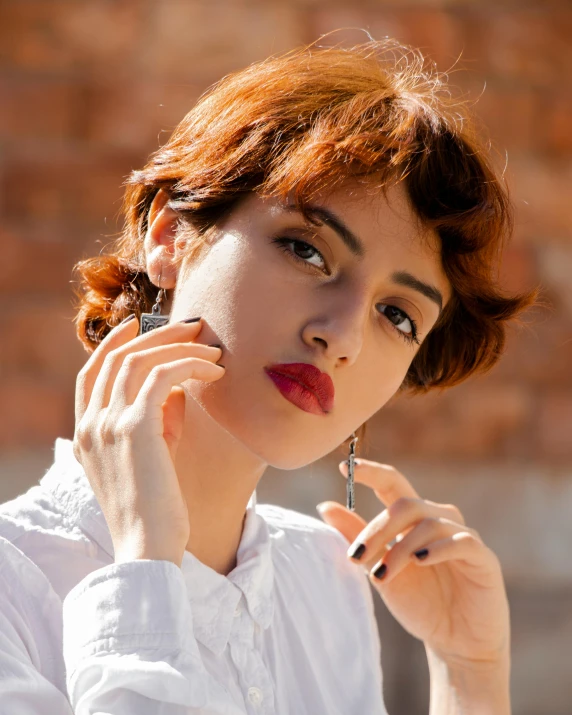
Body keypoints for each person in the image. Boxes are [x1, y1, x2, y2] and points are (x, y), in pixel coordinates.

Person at [0, 37, 535, 714]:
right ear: (169, 237)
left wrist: (470, 673)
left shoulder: (324, 576)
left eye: (397, 316)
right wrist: (146, 565)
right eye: (307, 249)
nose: (340, 336)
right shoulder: (13, 584)